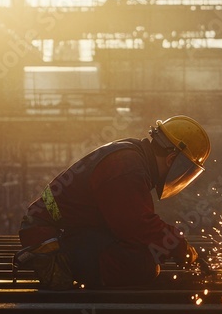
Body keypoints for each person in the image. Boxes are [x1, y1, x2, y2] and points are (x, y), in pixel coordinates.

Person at [14, 116, 209, 289]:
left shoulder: (133, 155)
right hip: (49, 241)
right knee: (142, 263)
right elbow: (138, 226)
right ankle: (66, 265)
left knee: (144, 252)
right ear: (172, 159)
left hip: (66, 232)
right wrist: (178, 246)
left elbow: (133, 223)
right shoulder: (127, 167)